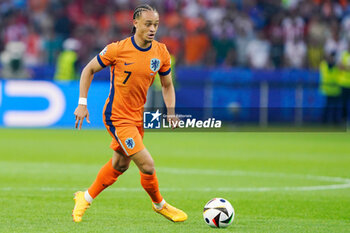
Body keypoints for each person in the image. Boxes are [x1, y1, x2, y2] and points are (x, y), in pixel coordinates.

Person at [72, 5, 187, 223]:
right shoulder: (117, 49)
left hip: (137, 117)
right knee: (147, 164)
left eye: (156, 24)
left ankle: (84, 197)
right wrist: (82, 103)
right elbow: (88, 70)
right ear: (135, 23)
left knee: (120, 165)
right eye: (148, 24)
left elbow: (167, 85)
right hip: (117, 117)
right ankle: (159, 204)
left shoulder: (161, 52)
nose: (153, 29)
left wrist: (171, 111)